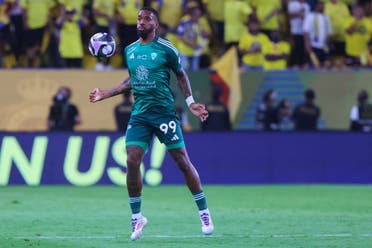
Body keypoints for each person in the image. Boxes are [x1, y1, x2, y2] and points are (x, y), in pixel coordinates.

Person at [89, 7, 214, 241]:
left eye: (147, 19)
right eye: (139, 18)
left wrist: (190, 103)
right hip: (141, 115)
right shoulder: (130, 50)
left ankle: (204, 212)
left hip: (164, 113)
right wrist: (106, 93)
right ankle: (137, 218)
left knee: (182, 162)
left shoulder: (166, 48)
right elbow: (132, 80)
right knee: (132, 159)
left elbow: (180, 74)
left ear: (155, 24)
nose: (141, 22)